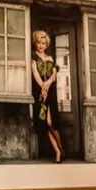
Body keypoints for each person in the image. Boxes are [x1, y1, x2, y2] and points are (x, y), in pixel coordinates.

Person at [30, 29, 63, 163]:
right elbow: (35, 73)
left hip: (51, 92)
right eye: (39, 42)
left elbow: (54, 75)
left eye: (43, 43)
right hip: (40, 93)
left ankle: (60, 149)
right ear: (35, 43)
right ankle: (59, 151)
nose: (41, 45)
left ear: (46, 44)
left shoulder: (51, 58)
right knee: (46, 123)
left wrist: (47, 84)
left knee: (51, 122)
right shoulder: (33, 58)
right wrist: (42, 87)